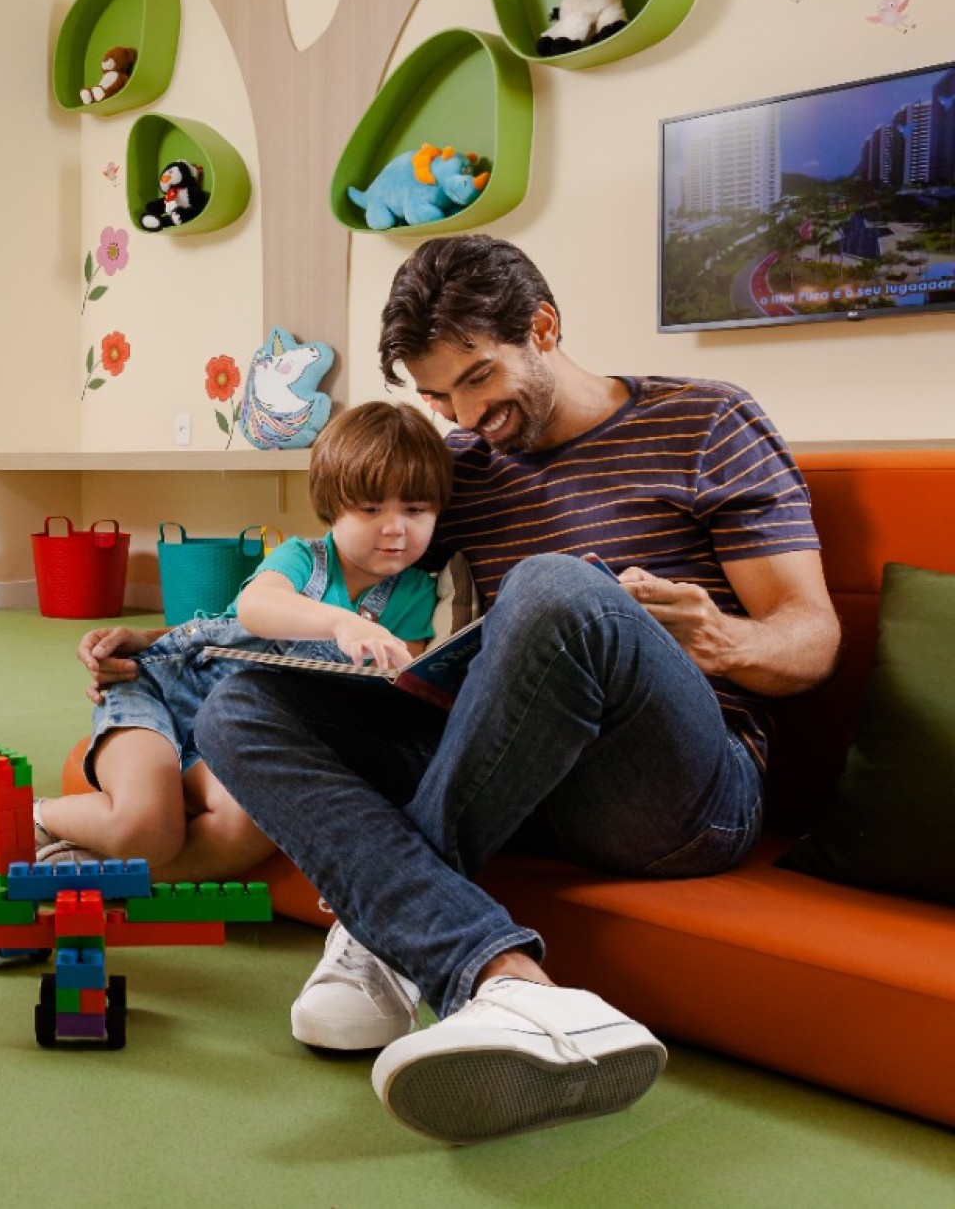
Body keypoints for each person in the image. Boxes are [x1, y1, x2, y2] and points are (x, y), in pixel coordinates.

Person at [195, 234, 841, 1144]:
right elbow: (344, 561)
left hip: (681, 792)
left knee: (554, 586)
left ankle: (381, 933)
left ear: (543, 327)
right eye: (438, 397)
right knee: (238, 706)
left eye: (478, 378)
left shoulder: (707, 421)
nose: (466, 415)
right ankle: (509, 984)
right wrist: (160, 644)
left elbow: (814, 640)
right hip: (517, 767)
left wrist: (721, 637)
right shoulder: (461, 468)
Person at [36, 401, 453, 886]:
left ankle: (104, 872)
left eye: (415, 510)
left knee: (249, 826)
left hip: (246, 737)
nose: (395, 527)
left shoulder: (417, 594)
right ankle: (39, 816)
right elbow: (256, 609)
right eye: (371, 509)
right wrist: (343, 624)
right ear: (333, 507)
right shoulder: (302, 558)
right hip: (166, 696)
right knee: (145, 826)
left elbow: (400, 686)